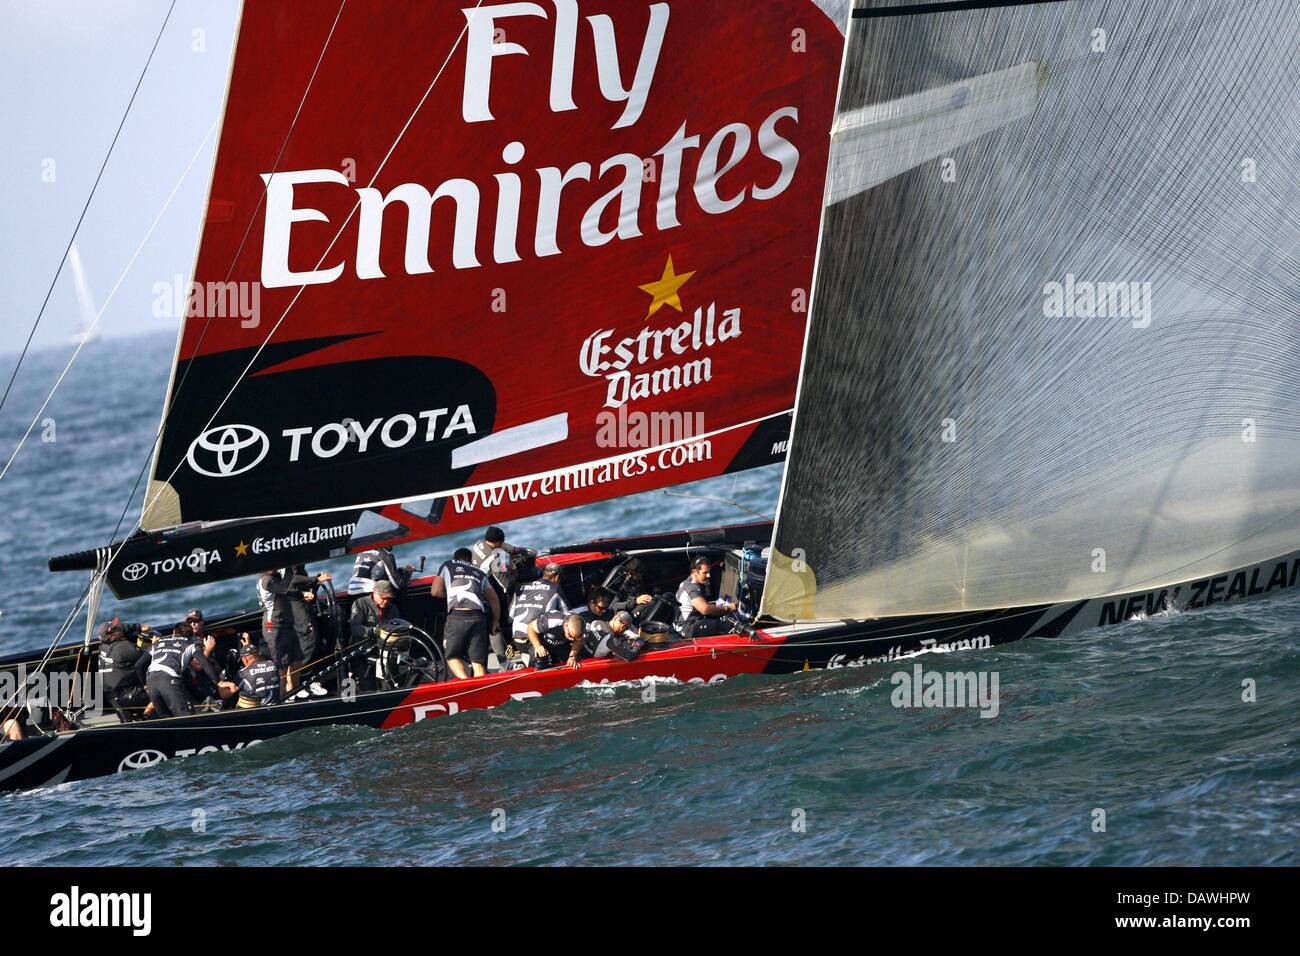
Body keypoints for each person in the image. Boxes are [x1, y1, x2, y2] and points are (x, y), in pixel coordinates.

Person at [431, 547, 500, 679]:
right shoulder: (479, 572)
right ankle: (481, 689)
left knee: (451, 656)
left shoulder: (448, 565)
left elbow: (435, 592)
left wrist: (450, 594)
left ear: (455, 558)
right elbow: (494, 599)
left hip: (457, 616)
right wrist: (495, 621)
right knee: (478, 662)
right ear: (470, 560)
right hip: (478, 617)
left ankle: (465, 682)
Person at [257, 567, 319, 692]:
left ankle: (293, 690)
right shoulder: (266, 580)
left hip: (286, 624)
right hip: (273, 626)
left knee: (297, 659)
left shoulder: (276, 577)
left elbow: (285, 592)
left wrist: (300, 594)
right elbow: (283, 588)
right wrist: (289, 568)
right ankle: (282, 695)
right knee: (282, 664)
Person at [138, 624, 219, 718]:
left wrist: (144, 684)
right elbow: (204, 664)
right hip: (169, 679)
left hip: (151, 680)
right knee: (186, 717)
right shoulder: (191, 643)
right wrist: (218, 682)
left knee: (165, 720)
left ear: (173, 632)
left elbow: (138, 665)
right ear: (191, 635)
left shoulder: (157, 643)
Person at [506, 564, 569, 663]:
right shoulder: (556, 588)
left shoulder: (520, 587)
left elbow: (510, 618)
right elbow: (567, 616)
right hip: (536, 641)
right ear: (557, 577)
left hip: (517, 640)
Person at [97, 620, 151, 721]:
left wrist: (137, 626)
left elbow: (122, 627)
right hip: (130, 696)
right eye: (116, 628)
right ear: (111, 635)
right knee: (159, 690)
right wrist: (153, 646)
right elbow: (147, 659)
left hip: (113, 700)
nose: (120, 628)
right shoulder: (124, 647)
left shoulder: (103, 647)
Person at [676, 556, 737, 637]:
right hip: (687, 628)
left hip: (690, 622)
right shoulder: (692, 588)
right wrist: (727, 608)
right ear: (695, 572)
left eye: (709, 572)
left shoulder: (688, 582)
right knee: (727, 626)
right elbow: (705, 609)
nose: (708, 575)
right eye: (705, 573)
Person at [219, 641, 281, 708]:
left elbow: (225, 695)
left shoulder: (244, 673)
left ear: (245, 659)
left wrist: (220, 682)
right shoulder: (273, 664)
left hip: (258, 711)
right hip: (277, 707)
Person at [350, 579, 401, 643]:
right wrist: (374, 631)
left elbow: (397, 628)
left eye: (388, 598)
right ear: (375, 593)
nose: (386, 601)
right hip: (363, 644)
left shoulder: (393, 609)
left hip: (385, 644)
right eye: (383, 598)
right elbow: (355, 628)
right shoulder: (360, 603)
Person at [348, 546, 414, 596]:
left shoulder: (362, 551)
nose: (393, 545)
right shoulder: (386, 555)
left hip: (351, 591)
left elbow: (373, 572)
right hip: (368, 593)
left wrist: (398, 571)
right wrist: (408, 572)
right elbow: (398, 584)